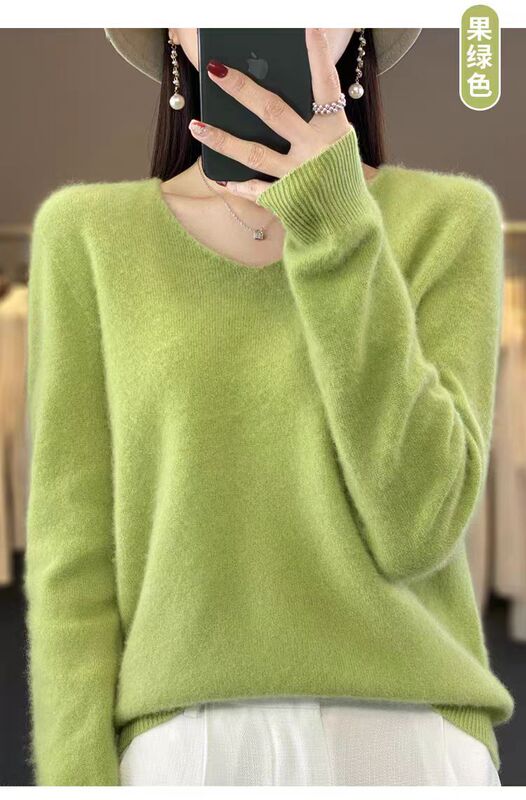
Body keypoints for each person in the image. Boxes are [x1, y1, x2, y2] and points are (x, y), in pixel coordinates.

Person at [24, 27, 514, 786]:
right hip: (181, 748)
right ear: (171, 25)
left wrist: (337, 222)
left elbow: (419, 529)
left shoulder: (450, 220)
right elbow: (71, 563)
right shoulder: (86, 235)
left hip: (409, 738)